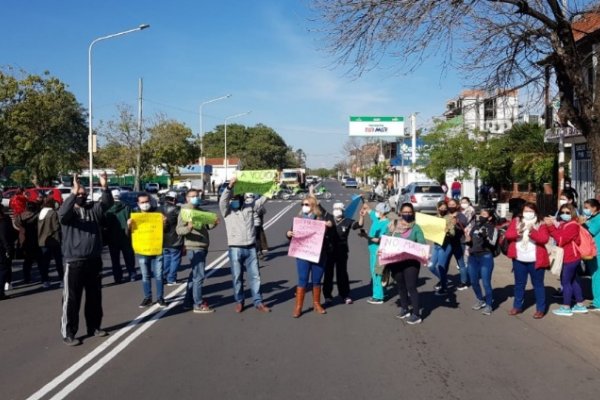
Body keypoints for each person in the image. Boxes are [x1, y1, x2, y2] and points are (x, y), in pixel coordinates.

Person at [58, 173, 113, 346]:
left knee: (94, 297)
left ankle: (94, 327)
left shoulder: (93, 210)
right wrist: (74, 192)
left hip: (93, 261)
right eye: (78, 194)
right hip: (74, 261)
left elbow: (107, 204)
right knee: (72, 299)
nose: (82, 196)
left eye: (84, 194)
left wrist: (105, 187)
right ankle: (69, 332)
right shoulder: (69, 213)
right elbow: (62, 214)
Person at [219, 177, 271, 313]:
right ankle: (239, 301)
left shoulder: (249, 207)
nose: (234, 200)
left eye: (237, 198)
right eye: (232, 199)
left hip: (251, 248)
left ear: (242, 198)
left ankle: (258, 302)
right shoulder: (227, 211)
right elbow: (223, 200)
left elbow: (263, 199)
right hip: (235, 248)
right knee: (237, 277)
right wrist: (229, 187)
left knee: (255, 276)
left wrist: (273, 184)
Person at [286, 194, 334, 317]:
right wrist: (288, 233)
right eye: (302, 204)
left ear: (312, 206)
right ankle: (298, 307)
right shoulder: (299, 219)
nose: (303, 206)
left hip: (318, 254)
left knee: (317, 280)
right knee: (303, 279)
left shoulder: (320, 218)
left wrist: (329, 225)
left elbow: (332, 223)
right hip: (303, 254)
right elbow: (292, 234)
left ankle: (316, 304)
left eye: (306, 204)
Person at [505, 202, 550, 319]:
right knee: (519, 284)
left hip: (536, 260)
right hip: (519, 258)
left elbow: (544, 239)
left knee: (538, 285)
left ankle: (540, 309)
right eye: (526, 211)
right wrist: (517, 232)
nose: (528, 213)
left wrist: (531, 232)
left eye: (530, 211)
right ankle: (517, 306)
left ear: (535, 212)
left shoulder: (541, 223)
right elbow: (508, 235)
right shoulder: (516, 221)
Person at [177, 189, 219, 313]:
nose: (196, 198)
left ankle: (188, 301)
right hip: (194, 247)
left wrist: (214, 223)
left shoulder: (199, 211)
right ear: (187, 198)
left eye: (197, 195)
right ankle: (198, 304)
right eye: (193, 196)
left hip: (202, 246)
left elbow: (207, 226)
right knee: (199, 276)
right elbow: (179, 230)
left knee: (194, 276)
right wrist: (188, 228)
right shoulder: (185, 212)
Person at [385, 203, 426, 325]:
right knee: (400, 285)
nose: (407, 214)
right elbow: (387, 239)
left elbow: (422, 243)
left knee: (411, 287)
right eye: (405, 212)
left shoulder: (416, 228)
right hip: (396, 261)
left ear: (412, 213)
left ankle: (417, 314)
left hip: (411, 263)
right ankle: (404, 308)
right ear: (400, 213)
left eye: (409, 212)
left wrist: (417, 248)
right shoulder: (394, 225)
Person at [545, 204, 588, 316]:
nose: (564, 214)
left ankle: (566, 307)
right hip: (571, 257)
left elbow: (560, 239)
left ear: (572, 213)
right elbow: (560, 234)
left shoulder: (572, 225)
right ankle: (580, 304)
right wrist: (554, 224)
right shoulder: (568, 224)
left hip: (570, 258)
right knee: (573, 280)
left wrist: (550, 227)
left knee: (566, 282)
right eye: (562, 212)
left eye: (567, 213)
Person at [129, 193, 166, 308]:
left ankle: (160, 298)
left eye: (146, 202)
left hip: (157, 249)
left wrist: (165, 223)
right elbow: (129, 234)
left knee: (159, 275)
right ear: (138, 204)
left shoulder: (158, 213)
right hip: (142, 250)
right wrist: (129, 226)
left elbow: (166, 230)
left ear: (150, 201)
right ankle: (147, 298)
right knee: (145, 275)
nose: (145, 204)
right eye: (142, 202)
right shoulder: (135, 216)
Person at [323, 202, 362, 305]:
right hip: (329, 251)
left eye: (339, 208)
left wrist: (362, 216)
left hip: (342, 251)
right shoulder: (329, 218)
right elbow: (319, 210)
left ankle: (345, 295)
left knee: (342, 273)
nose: (337, 210)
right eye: (335, 208)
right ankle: (327, 296)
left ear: (343, 211)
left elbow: (358, 225)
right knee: (328, 274)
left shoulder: (347, 221)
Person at [464, 208, 498, 316]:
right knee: (473, 281)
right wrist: (468, 240)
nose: (481, 216)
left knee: (486, 282)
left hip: (486, 257)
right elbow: (471, 243)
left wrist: (485, 237)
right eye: (481, 214)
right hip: (473, 257)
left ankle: (489, 305)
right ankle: (480, 299)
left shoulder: (492, 228)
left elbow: (493, 243)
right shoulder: (476, 226)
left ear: (490, 217)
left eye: (484, 214)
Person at [359, 202, 390, 304]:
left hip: (378, 252)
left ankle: (378, 297)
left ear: (382, 213)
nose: (376, 212)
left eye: (378, 211)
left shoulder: (386, 224)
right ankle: (382, 292)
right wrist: (364, 207)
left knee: (376, 273)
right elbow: (368, 209)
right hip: (373, 252)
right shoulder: (377, 219)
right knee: (378, 273)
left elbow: (378, 240)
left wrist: (366, 236)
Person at [104, 189, 137, 284]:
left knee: (115, 259)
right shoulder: (127, 207)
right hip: (126, 237)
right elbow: (133, 220)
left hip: (112, 237)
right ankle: (132, 274)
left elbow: (104, 223)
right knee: (129, 257)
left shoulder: (107, 209)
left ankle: (117, 277)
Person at [428, 201, 455, 296]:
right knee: (431, 266)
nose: (443, 209)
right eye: (441, 208)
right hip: (436, 245)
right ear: (437, 208)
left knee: (441, 267)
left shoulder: (449, 218)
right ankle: (444, 279)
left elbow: (453, 233)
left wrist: (447, 231)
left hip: (445, 246)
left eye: (445, 208)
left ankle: (444, 288)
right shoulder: (434, 218)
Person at [37, 196, 64, 288]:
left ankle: (45, 281)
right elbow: (56, 226)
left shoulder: (40, 213)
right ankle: (62, 280)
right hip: (54, 240)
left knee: (45, 263)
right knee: (58, 261)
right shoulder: (53, 213)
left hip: (42, 241)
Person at [14, 200, 41, 285]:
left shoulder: (21, 216)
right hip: (34, 239)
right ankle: (43, 276)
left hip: (23, 238)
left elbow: (16, 223)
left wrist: (21, 229)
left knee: (27, 261)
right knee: (39, 259)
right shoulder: (36, 216)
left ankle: (27, 277)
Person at [582, 199, 600, 311]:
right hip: (592, 251)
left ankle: (597, 302)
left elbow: (589, 232)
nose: (585, 209)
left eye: (587, 207)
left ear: (594, 208)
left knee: (596, 277)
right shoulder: (592, 218)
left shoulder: (598, 219)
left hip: (597, 252)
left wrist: (580, 223)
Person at [162, 191, 183, 286]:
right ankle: (171, 279)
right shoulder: (177, 209)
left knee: (166, 259)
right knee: (175, 259)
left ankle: (164, 277)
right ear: (174, 199)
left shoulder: (159, 209)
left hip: (163, 239)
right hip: (175, 239)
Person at [447, 198, 469, 290]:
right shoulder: (446, 215)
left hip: (459, 242)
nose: (451, 206)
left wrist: (456, 223)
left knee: (460, 263)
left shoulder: (460, 215)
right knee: (444, 262)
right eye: (450, 204)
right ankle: (443, 280)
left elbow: (464, 223)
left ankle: (464, 282)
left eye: (453, 204)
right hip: (448, 243)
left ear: (457, 205)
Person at [0, 208, 16, 300]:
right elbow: (4, 237)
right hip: (2, 250)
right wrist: (8, 249)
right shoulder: (3, 223)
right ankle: (1, 293)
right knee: (3, 271)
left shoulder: (4, 221)